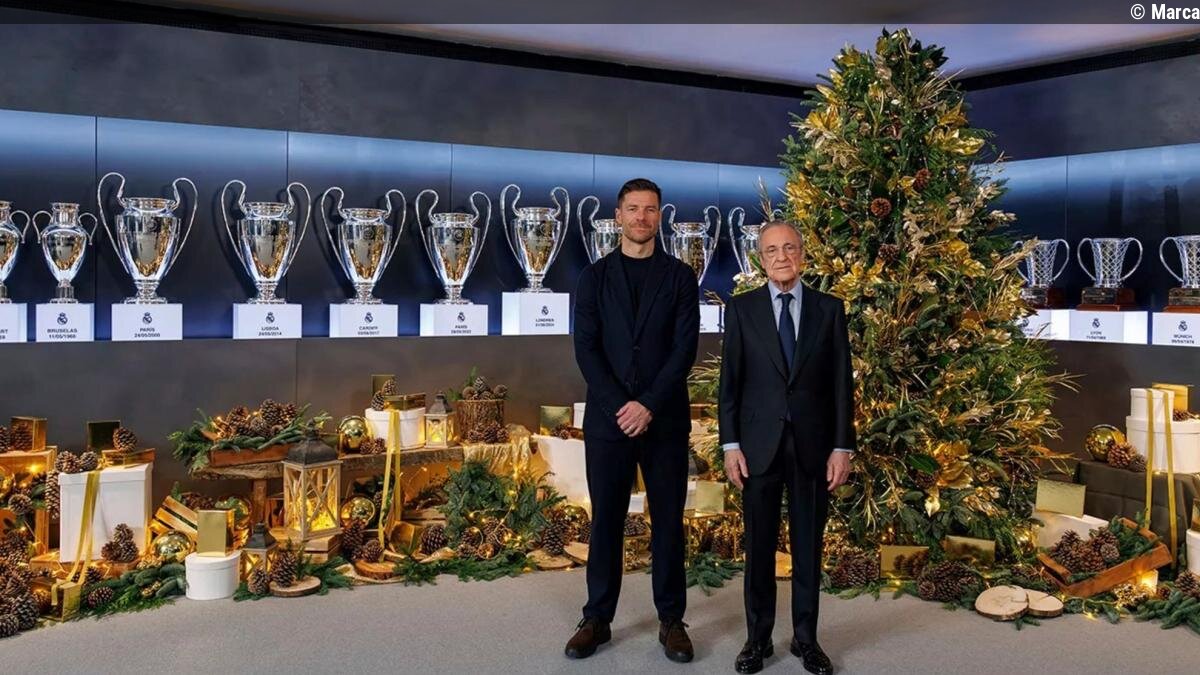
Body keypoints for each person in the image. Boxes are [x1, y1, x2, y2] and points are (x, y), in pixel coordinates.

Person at [566, 177, 700, 663]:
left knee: (668, 523)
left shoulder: (681, 277)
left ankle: (672, 620)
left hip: (664, 420)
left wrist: (648, 405)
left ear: (659, 217)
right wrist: (622, 406)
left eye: (650, 209)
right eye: (633, 209)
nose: (642, 217)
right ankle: (597, 619)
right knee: (606, 521)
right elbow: (586, 349)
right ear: (618, 216)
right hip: (609, 422)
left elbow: (684, 349)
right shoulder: (593, 277)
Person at [718, 221, 856, 675]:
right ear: (761, 259)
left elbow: (841, 384)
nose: (782, 257)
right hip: (757, 446)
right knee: (759, 547)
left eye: (790, 248)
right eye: (772, 250)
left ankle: (806, 639)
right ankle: (757, 639)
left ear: (803, 255)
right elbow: (730, 384)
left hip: (814, 447)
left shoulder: (829, 309)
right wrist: (730, 445)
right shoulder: (742, 309)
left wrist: (842, 447)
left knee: (807, 548)